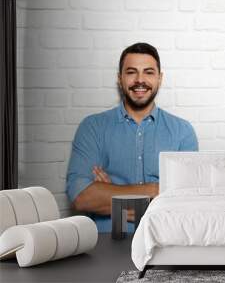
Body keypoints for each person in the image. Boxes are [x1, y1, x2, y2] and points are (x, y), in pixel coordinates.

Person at [66, 43, 198, 232]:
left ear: (160, 78)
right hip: (105, 245)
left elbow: (186, 203)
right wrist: (155, 189)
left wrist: (111, 194)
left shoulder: (182, 132)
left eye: (149, 72)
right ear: (120, 79)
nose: (140, 80)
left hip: (163, 241)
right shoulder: (93, 128)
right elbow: (82, 197)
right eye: (131, 72)